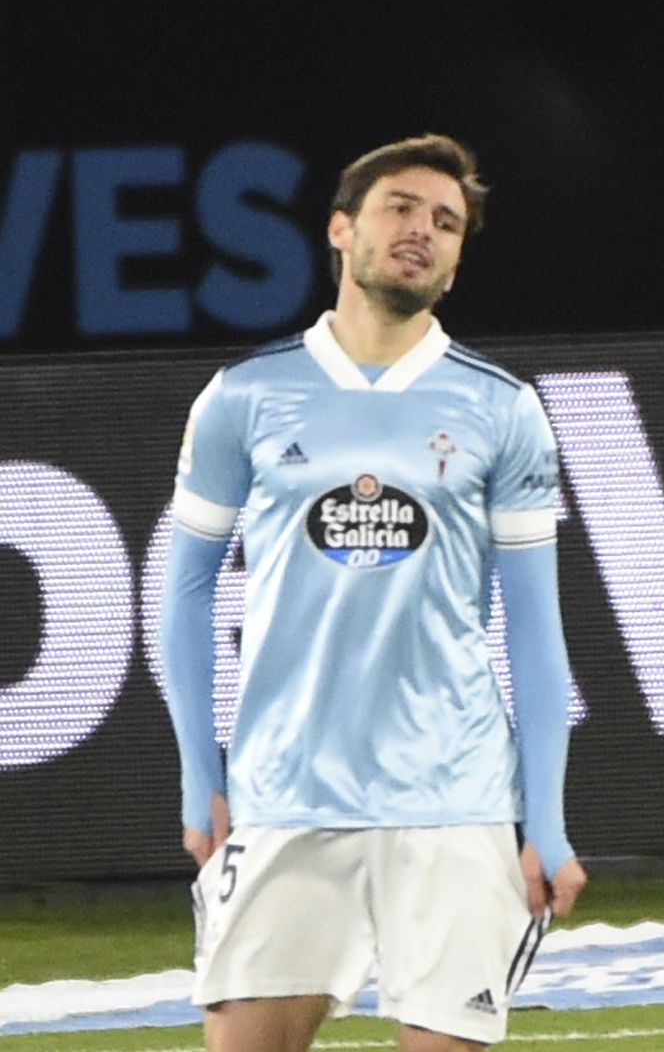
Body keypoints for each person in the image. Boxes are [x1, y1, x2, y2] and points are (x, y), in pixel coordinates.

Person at [159, 134, 587, 1052]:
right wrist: (204, 777)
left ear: (459, 258)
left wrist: (543, 820)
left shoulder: (501, 407)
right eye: (401, 207)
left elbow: (535, 631)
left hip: (454, 806)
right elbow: (187, 590)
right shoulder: (244, 395)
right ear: (341, 230)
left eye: (446, 222)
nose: (422, 230)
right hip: (285, 799)